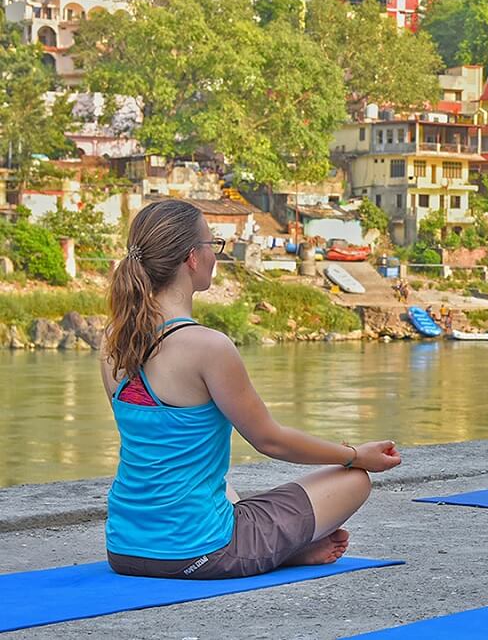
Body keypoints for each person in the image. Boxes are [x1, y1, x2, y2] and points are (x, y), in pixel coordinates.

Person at [101, 199, 402, 580]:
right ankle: (282, 550)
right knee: (352, 481)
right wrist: (356, 455)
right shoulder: (208, 346)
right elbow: (270, 441)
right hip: (200, 552)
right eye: (213, 245)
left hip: (124, 548)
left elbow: (151, 448)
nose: (215, 255)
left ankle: (280, 546)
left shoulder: (112, 341)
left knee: (224, 489)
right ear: (192, 258)